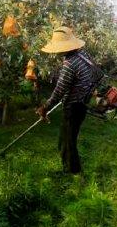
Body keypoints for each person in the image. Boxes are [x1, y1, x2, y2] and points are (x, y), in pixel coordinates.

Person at [36, 26, 102, 174]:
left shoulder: (69, 64)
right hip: (82, 103)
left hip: (74, 106)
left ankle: (72, 172)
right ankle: (67, 164)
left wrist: (45, 107)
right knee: (66, 137)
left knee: (68, 141)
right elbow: (92, 76)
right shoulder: (84, 55)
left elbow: (59, 90)